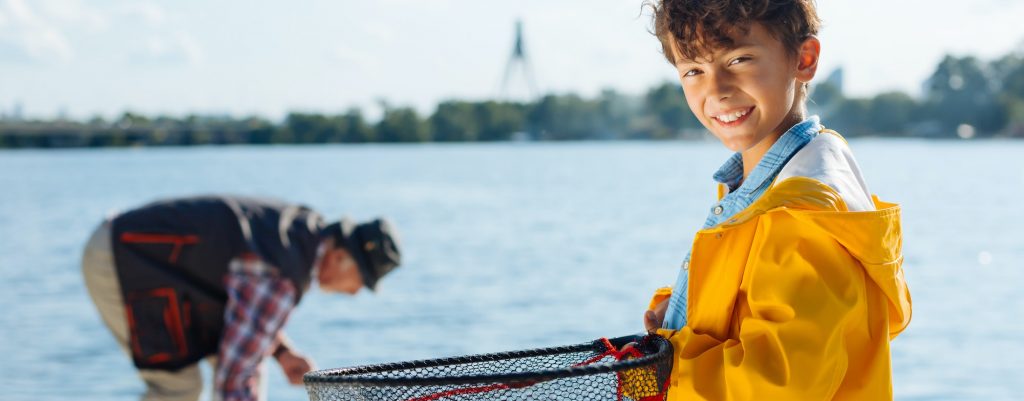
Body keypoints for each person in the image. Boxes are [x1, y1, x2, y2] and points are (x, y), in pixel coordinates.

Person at [640, 0, 912, 399]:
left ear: (804, 59)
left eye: (739, 60)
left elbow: (778, 385)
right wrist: (685, 315)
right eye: (694, 70)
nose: (716, 90)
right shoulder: (767, 187)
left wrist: (663, 369)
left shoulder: (801, 214)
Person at [81, 195, 402, 401]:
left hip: (140, 252)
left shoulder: (301, 233)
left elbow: (246, 310)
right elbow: (233, 381)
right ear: (342, 259)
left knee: (247, 366)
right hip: (121, 256)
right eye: (361, 282)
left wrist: (282, 353)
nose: (355, 292)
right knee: (178, 389)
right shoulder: (281, 275)